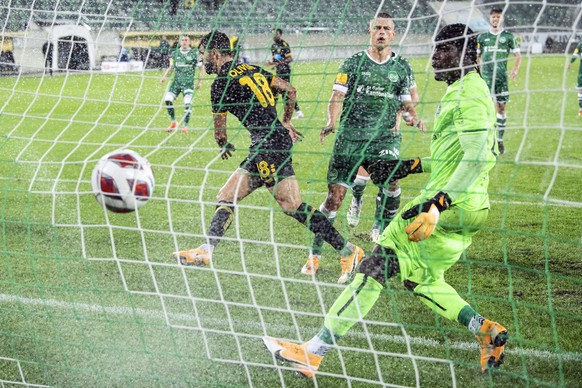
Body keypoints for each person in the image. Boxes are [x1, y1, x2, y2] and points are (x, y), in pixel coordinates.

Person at [263, 23, 508, 378]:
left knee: (374, 266)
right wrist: (408, 165)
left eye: (445, 50)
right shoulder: (465, 89)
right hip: (469, 209)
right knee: (422, 279)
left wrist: (438, 203)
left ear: (469, 54)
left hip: (445, 207)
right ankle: (484, 329)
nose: (435, 58)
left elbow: (479, 159)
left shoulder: (469, 93)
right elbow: (463, 155)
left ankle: (312, 352)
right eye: (436, 49)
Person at [172, 31, 364, 284]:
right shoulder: (253, 68)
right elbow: (291, 90)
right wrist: (284, 120)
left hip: (266, 146)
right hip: (273, 142)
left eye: (202, 54)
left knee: (291, 205)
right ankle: (205, 251)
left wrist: (224, 144)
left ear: (215, 54)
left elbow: (220, 133)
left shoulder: (220, 84)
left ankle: (349, 251)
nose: (201, 59)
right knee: (227, 195)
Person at [303, 13, 424, 281]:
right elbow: (337, 96)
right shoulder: (354, 62)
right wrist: (331, 121)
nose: (381, 32)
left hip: (385, 138)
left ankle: (384, 234)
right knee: (334, 199)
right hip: (351, 138)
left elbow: (407, 104)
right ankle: (315, 253)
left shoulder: (402, 66)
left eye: (386, 29)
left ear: (393, 34)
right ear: (370, 31)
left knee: (392, 182)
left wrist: (411, 119)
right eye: (377, 28)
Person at [346, 83, 420, 242]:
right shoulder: (368, 66)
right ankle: (357, 199)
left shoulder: (401, 67)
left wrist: (405, 109)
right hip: (365, 133)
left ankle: (379, 224)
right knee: (360, 181)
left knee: (390, 181)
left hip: (389, 138)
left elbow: (414, 96)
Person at [477, 7, 521, 154]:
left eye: (498, 17)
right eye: (493, 17)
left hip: (501, 78)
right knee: (486, 110)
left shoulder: (508, 37)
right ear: (490, 19)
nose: (495, 19)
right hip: (486, 79)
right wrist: (478, 71)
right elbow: (477, 57)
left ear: (502, 19)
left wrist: (515, 70)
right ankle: (489, 141)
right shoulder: (482, 38)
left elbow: (518, 56)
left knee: (501, 108)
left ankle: (500, 140)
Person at [160, 35, 205, 133]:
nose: (184, 42)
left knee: (187, 104)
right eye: (182, 40)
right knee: (167, 100)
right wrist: (164, 77)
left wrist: (200, 82)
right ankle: (173, 121)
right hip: (176, 83)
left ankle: (185, 126)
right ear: (180, 42)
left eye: (186, 40)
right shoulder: (174, 53)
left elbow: (202, 68)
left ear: (189, 42)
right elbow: (171, 67)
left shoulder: (194, 54)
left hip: (188, 83)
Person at [266, 28, 304, 119]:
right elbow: (276, 60)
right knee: (281, 91)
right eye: (273, 34)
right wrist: (272, 64)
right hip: (279, 71)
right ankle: (297, 112)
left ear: (280, 35)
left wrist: (279, 63)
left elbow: (290, 58)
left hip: (285, 71)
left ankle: (296, 112)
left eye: (277, 34)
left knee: (284, 91)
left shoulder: (284, 44)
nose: (275, 36)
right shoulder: (273, 46)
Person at [567, 37, 582, 117]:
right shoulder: (581, 44)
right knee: (580, 90)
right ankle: (581, 110)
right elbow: (575, 54)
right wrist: (571, 62)